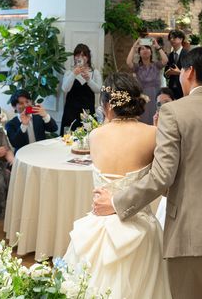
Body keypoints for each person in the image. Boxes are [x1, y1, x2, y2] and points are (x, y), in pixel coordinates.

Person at [93, 47, 202, 299]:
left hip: (193, 237)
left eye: (181, 71)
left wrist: (116, 202)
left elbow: (161, 176)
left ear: (190, 72)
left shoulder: (174, 112)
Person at [64, 73, 171, 299]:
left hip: (99, 226)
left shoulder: (95, 136)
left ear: (107, 105)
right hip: (138, 226)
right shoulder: (153, 134)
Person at [60, 44, 102, 132]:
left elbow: (99, 90)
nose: (80, 58)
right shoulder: (69, 72)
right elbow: (65, 89)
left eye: (83, 55)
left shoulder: (95, 72)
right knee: (69, 136)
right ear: (74, 57)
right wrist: (74, 74)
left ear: (88, 57)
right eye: (78, 55)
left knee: (88, 136)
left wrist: (88, 80)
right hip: (71, 111)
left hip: (87, 111)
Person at [126, 36, 167, 124]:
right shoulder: (137, 67)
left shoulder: (156, 65)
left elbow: (165, 60)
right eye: (142, 49)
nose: (145, 50)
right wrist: (134, 47)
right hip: (142, 97)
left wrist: (157, 46)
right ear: (139, 53)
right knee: (143, 119)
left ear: (151, 52)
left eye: (147, 48)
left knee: (156, 119)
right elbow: (129, 62)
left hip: (156, 96)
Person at [164, 30, 189, 100]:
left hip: (183, 89)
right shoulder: (170, 55)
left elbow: (190, 73)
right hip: (171, 89)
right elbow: (165, 74)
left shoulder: (188, 54)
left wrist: (179, 73)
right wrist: (167, 73)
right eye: (170, 38)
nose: (172, 40)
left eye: (174, 38)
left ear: (181, 39)